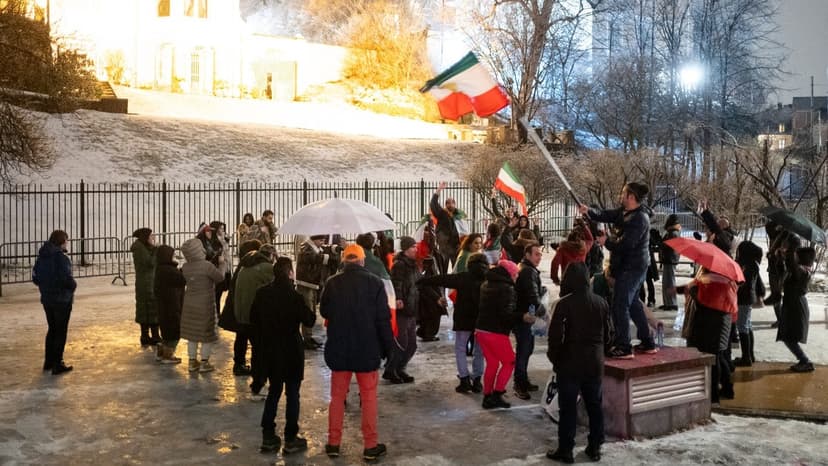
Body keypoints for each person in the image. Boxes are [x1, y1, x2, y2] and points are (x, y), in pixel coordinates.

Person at [320, 244, 394, 461]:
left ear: (344, 261)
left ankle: (333, 443)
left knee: (337, 398)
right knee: (368, 398)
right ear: (362, 261)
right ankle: (370, 446)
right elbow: (383, 319)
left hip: (339, 349)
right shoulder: (375, 283)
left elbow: (324, 310)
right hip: (367, 349)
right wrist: (388, 349)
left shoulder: (332, 283)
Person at [578, 182, 654, 359]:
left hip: (633, 267)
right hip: (627, 265)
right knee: (633, 303)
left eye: (623, 193)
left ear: (631, 197)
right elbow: (606, 215)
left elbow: (627, 244)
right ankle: (648, 342)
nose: (621, 196)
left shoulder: (640, 218)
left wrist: (607, 242)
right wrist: (589, 211)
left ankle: (624, 346)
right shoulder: (624, 212)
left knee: (620, 304)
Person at [249, 257, 316, 454]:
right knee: (293, 394)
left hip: (270, 350)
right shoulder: (294, 296)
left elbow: (253, 321)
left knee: (274, 391)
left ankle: (268, 436)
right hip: (291, 350)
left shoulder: (262, 294)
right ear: (289, 274)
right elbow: (309, 320)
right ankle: (291, 437)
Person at [546, 262, 611, 463]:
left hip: (569, 363)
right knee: (594, 406)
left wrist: (555, 358)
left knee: (568, 408)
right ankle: (595, 446)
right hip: (594, 362)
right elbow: (609, 335)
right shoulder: (601, 303)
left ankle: (566, 449)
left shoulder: (564, 304)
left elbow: (554, 337)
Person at [417, 252, 488, 394]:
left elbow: (443, 279)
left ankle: (464, 380)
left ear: (469, 265)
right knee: (479, 351)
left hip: (463, 318)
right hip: (482, 320)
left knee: (460, 348)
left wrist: (422, 280)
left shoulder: (463, 277)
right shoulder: (488, 278)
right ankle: (477, 381)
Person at [476, 259, 532, 409]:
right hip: (496, 332)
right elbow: (506, 315)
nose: (516, 278)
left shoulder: (486, 284)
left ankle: (487, 397)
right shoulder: (507, 288)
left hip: (481, 330)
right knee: (510, 362)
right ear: (509, 274)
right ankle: (497, 394)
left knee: (492, 363)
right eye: (515, 275)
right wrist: (522, 316)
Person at [681, 267, 737, 402]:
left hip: (710, 326)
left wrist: (693, 290)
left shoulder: (708, 282)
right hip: (724, 322)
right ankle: (728, 389)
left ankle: (713, 395)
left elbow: (703, 302)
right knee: (720, 356)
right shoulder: (728, 281)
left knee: (713, 360)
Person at [32, 230, 77, 375]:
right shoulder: (61, 258)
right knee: (60, 331)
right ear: (62, 242)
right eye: (66, 240)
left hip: (47, 299)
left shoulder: (42, 257)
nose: (67, 243)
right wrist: (73, 285)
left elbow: (35, 277)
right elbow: (66, 279)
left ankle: (49, 361)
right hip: (61, 300)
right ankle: (58, 363)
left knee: (52, 329)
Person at [179, 237, 225, 373]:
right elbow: (220, 277)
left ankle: (192, 362)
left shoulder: (185, 267)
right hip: (205, 304)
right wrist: (222, 264)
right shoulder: (207, 266)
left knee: (192, 335)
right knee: (206, 335)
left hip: (189, 304)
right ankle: (205, 362)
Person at [234, 243, 276, 376]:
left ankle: (238, 365)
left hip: (240, 309)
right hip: (254, 311)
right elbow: (275, 285)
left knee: (241, 337)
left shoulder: (246, 265)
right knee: (258, 342)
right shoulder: (267, 267)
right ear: (271, 255)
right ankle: (258, 368)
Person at [385, 236, 420, 384]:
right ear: (405, 249)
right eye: (413, 247)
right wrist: (398, 298)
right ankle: (391, 369)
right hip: (402, 309)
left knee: (412, 344)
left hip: (411, 308)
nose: (416, 249)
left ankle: (400, 368)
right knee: (401, 342)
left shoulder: (413, 264)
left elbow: (418, 283)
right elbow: (396, 283)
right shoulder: (399, 265)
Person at [513, 243, 545, 400]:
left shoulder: (527, 269)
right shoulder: (528, 271)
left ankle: (523, 380)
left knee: (526, 349)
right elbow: (532, 295)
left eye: (540, 254)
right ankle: (519, 383)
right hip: (524, 317)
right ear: (527, 255)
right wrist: (543, 311)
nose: (540, 257)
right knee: (524, 350)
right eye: (536, 254)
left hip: (525, 316)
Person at [777, 244, 816, 373]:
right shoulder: (799, 270)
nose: (795, 257)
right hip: (792, 304)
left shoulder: (802, 271)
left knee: (789, 337)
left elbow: (791, 265)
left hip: (796, 306)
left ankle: (805, 361)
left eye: (797, 255)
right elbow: (785, 270)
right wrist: (781, 257)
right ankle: (804, 360)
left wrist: (789, 251)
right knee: (788, 336)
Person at [295, 234, 332, 350]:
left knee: (311, 310)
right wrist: (327, 257)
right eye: (321, 240)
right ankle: (307, 337)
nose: (323, 242)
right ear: (314, 240)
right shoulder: (306, 249)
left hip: (313, 284)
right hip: (306, 284)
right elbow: (314, 258)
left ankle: (309, 336)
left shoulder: (315, 249)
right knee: (308, 310)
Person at [733, 241, 765, 367]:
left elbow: (742, 282)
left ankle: (746, 357)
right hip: (747, 298)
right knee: (747, 325)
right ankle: (750, 355)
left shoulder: (747, 265)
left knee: (742, 326)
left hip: (744, 298)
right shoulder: (752, 263)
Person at [154, 244, 185, 364]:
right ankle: (168, 355)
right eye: (172, 255)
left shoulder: (161, 269)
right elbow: (182, 280)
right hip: (172, 307)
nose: (174, 257)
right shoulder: (169, 270)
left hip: (164, 308)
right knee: (174, 333)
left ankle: (161, 351)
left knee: (167, 333)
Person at [131, 227, 160, 347]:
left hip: (148, 282)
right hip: (146, 284)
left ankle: (151, 335)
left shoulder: (144, 247)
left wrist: (154, 249)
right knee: (147, 309)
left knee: (150, 309)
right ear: (145, 238)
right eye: (151, 236)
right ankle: (148, 336)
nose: (153, 238)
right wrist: (156, 250)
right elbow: (150, 263)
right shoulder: (139, 249)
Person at [549, 218, 594, 289]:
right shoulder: (583, 248)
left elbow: (555, 263)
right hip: (581, 278)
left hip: (566, 279)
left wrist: (555, 279)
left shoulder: (562, 249)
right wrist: (584, 226)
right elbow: (590, 239)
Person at [430, 181, 462, 267]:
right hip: (444, 245)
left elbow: (463, 231)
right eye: (448, 203)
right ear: (446, 205)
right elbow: (433, 203)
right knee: (443, 266)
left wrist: (461, 242)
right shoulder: (442, 213)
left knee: (456, 267)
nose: (450, 204)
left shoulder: (458, 216)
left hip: (455, 245)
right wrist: (439, 189)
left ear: (455, 204)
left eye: (452, 203)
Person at [209, 220, 232, 318]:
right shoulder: (214, 241)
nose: (223, 230)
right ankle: (216, 313)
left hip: (226, 268)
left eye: (223, 228)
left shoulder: (223, 240)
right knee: (217, 293)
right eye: (220, 228)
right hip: (219, 269)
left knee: (221, 291)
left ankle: (217, 312)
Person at [659, 215, 681, 310]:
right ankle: (667, 302)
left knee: (669, 282)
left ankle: (672, 303)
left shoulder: (673, 233)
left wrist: (660, 242)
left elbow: (668, 245)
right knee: (666, 282)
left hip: (670, 259)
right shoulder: (671, 232)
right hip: (668, 259)